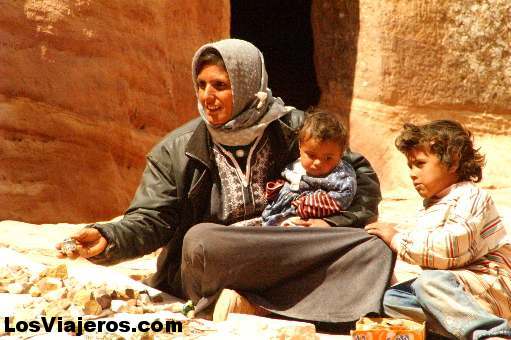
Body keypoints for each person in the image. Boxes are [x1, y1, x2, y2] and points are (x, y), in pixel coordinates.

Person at [57, 38, 393, 324]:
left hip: (287, 247)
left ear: (248, 83)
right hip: (223, 255)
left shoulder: (296, 129)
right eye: (201, 85)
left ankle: (253, 307)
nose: (207, 96)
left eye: (220, 85)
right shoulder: (177, 148)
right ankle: (302, 306)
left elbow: (360, 180)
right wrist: (109, 237)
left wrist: (331, 224)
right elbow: (152, 218)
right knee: (201, 241)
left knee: (373, 247)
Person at [365, 120, 511, 339]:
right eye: (410, 166)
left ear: (452, 163)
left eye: (420, 164)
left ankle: (491, 332)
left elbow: (450, 251)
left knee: (430, 282)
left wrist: (396, 239)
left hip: (487, 284)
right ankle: (460, 329)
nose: (413, 174)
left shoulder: (470, 196)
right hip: (451, 293)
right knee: (390, 299)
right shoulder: (430, 208)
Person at [261, 110, 356, 226]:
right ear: (300, 146)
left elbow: (341, 198)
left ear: (341, 154)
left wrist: (304, 205)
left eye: (328, 158)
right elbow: (287, 179)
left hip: (305, 222)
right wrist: (276, 189)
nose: (318, 162)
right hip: (273, 217)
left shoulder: (342, 175)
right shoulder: (295, 164)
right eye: (311, 155)